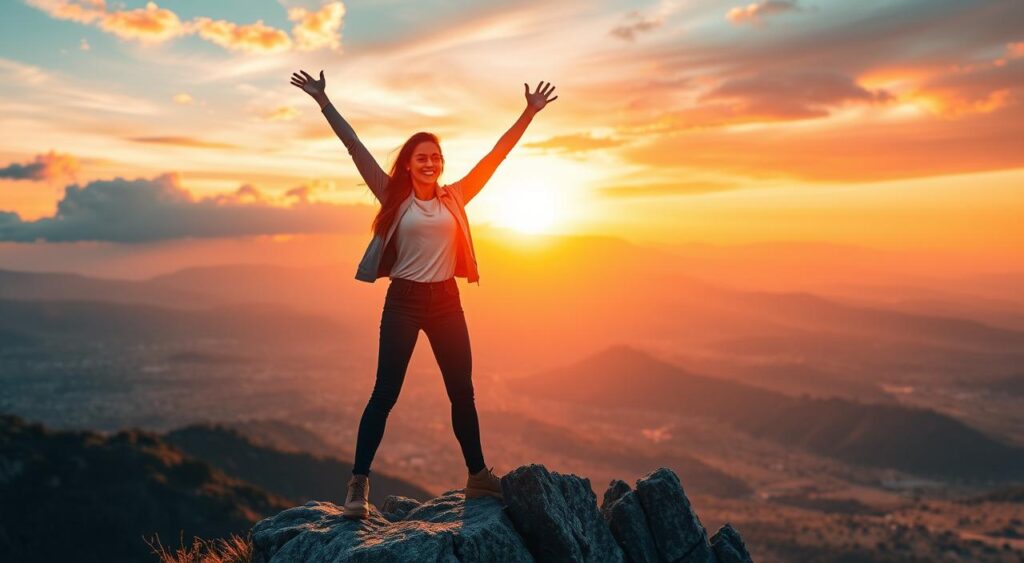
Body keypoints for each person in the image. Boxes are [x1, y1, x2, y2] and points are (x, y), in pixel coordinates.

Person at [290, 69, 558, 519]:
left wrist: (528, 113)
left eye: (435, 156)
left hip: (447, 303)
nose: (429, 162)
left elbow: (496, 158)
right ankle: (358, 487)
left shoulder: (455, 198)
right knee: (385, 394)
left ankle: (477, 476)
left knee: (462, 393)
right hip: (404, 301)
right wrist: (323, 101)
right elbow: (354, 147)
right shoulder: (393, 196)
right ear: (408, 164)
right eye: (421, 157)